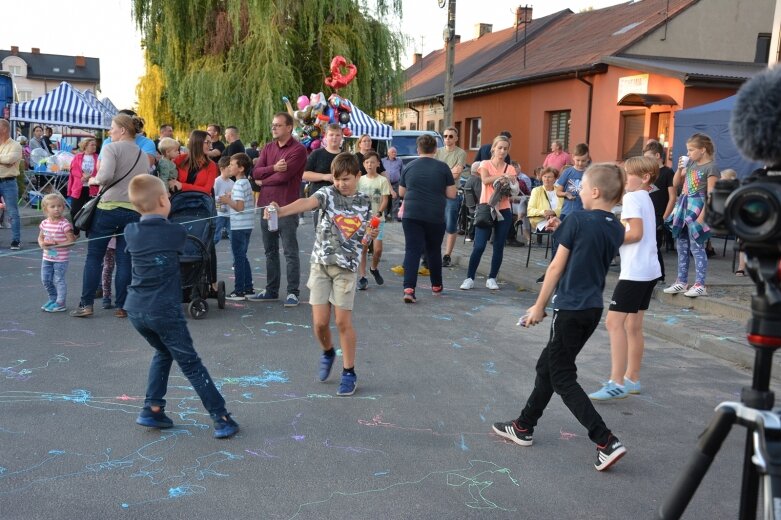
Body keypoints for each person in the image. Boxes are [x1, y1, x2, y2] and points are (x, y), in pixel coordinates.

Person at [491, 163, 627, 472]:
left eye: (582, 187)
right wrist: (563, 229)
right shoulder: (616, 227)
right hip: (591, 309)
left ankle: (606, 440)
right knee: (548, 366)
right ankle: (524, 425)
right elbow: (589, 250)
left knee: (562, 375)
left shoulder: (576, 219)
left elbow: (555, 267)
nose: (577, 192)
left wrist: (539, 306)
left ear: (594, 191)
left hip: (569, 307)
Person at [125, 174, 239, 438]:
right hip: (163, 310)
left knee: (163, 352)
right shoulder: (176, 231)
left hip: (136, 309)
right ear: (164, 200)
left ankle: (152, 408)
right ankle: (220, 416)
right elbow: (176, 244)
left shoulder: (130, 231)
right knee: (191, 363)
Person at [264, 153, 377, 396]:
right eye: (337, 179)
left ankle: (349, 372)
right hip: (321, 265)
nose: (340, 184)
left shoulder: (365, 201)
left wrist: (370, 236)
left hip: (346, 269)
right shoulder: (327, 194)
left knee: (342, 321)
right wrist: (279, 211)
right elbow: (305, 204)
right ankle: (328, 352)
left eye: (346, 179)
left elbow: (365, 234)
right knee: (320, 323)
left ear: (358, 176)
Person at [589, 157, 662, 401]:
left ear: (645, 178)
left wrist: (610, 238)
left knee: (613, 323)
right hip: (649, 269)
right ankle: (632, 378)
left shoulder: (632, 197)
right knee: (633, 326)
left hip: (635, 271)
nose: (623, 179)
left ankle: (616, 382)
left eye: (627, 175)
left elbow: (636, 233)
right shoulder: (645, 197)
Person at [70, 113, 148, 318]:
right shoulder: (142, 153)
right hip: (133, 210)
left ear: (122, 130)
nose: (109, 132)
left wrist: (93, 179)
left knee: (94, 257)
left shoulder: (111, 148)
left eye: (112, 128)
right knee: (125, 259)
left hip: (109, 208)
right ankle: (122, 306)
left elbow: (105, 176)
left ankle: (86, 304)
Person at [248, 112, 307, 307]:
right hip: (266, 205)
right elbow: (254, 172)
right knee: (270, 251)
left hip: (287, 207)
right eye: (273, 125)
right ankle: (271, 290)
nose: (273, 128)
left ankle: (292, 292)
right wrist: (273, 168)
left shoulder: (298, 150)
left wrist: (262, 180)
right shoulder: (268, 148)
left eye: (278, 125)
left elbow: (283, 178)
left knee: (290, 251)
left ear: (289, 127)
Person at [399, 134, 457, 303]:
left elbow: (402, 192)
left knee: (412, 250)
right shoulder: (443, 167)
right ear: (435, 150)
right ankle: (436, 286)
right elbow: (451, 194)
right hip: (434, 215)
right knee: (433, 250)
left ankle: (409, 289)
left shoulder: (409, 166)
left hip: (411, 214)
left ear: (418, 149)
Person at [663, 133, 720, 298]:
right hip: (684, 204)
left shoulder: (711, 168)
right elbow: (675, 184)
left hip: (698, 206)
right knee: (682, 245)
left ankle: (700, 284)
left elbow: (711, 194)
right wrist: (681, 168)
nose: (688, 153)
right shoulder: (692, 164)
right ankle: (681, 281)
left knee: (697, 247)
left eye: (691, 150)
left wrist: (703, 216)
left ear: (702, 150)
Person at [460, 135, 518, 291]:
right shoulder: (485, 163)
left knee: (499, 245)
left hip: (504, 209)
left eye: (505, 148)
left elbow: (513, 188)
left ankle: (492, 278)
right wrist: (503, 176)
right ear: (493, 148)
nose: (502, 151)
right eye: (500, 147)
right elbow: (485, 180)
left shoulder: (510, 168)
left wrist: (508, 179)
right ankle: (469, 278)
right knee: (479, 246)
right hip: (486, 207)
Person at [218, 153, 255, 300]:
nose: (229, 167)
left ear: (241, 168)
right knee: (242, 256)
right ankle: (248, 288)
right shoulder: (245, 182)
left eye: (232, 164)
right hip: (247, 224)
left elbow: (239, 207)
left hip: (239, 225)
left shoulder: (239, 184)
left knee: (238, 258)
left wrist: (227, 200)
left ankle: (239, 290)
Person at [642, 140, 676, 284]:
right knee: (646, 244)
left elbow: (672, 196)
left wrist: (665, 216)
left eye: (648, 157)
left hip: (658, 215)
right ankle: (648, 274)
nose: (646, 161)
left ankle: (660, 276)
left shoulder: (668, 172)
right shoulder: (648, 173)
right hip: (646, 213)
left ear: (657, 155)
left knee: (654, 246)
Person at [357, 151, 390, 290]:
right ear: (364, 164)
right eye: (367, 162)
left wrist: (379, 212)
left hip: (377, 220)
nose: (369, 165)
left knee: (377, 250)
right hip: (363, 221)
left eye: (372, 162)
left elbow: (385, 199)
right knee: (363, 248)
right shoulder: (360, 180)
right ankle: (363, 277)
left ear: (378, 163)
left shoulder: (382, 180)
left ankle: (373, 268)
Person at [38, 193, 76, 312]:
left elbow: (71, 241)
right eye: (53, 206)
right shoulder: (44, 223)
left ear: (63, 207)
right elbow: (40, 237)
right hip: (47, 257)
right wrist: (41, 244)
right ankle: (53, 299)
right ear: (45, 209)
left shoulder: (64, 224)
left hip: (60, 259)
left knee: (59, 280)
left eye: (59, 206)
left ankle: (60, 303)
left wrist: (56, 245)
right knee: (46, 279)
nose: (56, 209)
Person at [436, 126, 467, 268]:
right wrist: (450, 170)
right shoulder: (437, 152)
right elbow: (435, 172)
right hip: (436, 192)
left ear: (456, 138)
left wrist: (444, 171)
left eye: (450, 136)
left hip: (451, 193)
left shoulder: (461, 153)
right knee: (435, 224)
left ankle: (447, 255)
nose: (447, 139)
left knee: (450, 224)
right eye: (445, 136)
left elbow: (457, 174)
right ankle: (434, 252)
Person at [303, 124, 343, 226]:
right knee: (321, 233)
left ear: (342, 137)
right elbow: (304, 174)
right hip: (319, 201)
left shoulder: (346, 156)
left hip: (341, 201)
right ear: (326, 136)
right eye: (331, 135)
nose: (334, 138)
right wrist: (324, 176)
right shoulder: (316, 154)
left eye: (337, 135)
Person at [0, 119, 24, 250]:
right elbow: (6, 161)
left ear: (4, 129)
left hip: (8, 182)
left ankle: (16, 240)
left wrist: (6, 161)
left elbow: (10, 160)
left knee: (12, 212)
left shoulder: (15, 145)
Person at [171, 130, 219, 194]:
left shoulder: (211, 165)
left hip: (199, 202)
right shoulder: (180, 159)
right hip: (178, 200)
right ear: (198, 142)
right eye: (207, 142)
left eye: (211, 143)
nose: (210, 146)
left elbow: (207, 190)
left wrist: (183, 186)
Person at [67, 138, 99, 223]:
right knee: (74, 210)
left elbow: (101, 170)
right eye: (92, 145)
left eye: (95, 145)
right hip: (79, 187)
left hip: (92, 188)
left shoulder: (98, 157)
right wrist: (82, 176)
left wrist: (90, 176)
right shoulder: (78, 156)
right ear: (85, 146)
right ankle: (76, 231)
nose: (94, 146)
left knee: (91, 211)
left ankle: (89, 232)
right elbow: (73, 169)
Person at [526, 167, 563, 232]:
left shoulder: (559, 191)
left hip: (559, 220)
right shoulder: (536, 191)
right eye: (544, 176)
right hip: (543, 222)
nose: (546, 179)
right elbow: (530, 210)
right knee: (561, 230)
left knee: (564, 229)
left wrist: (554, 212)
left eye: (549, 177)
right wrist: (543, 212)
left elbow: (564, 209)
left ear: (555, 179)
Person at [213, 156, 234, 245]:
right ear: (222, 168)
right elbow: (213, 197)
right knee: (216, 237)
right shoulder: (217, 181)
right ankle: (209, 252)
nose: (231, 169)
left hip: (230, 214)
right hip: (219, 214)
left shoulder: (232, 183)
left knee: (233, 237)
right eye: (229, 167)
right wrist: (222, 198)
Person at [381, 146, 402, 221]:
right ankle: (385, 216)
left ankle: (394, 218)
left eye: (395, 152)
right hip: (386, 184)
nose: (394, 153)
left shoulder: (399, 161)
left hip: (396, 183)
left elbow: (401, 171)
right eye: (393, 152)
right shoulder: (383, 161)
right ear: (388, 153)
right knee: (385, 200)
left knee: (395, 200)